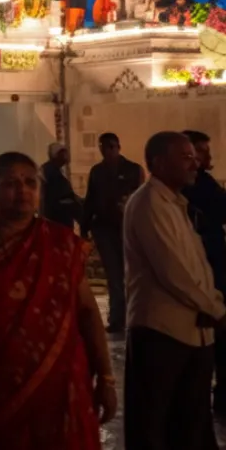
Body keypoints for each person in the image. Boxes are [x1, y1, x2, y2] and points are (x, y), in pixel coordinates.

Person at [0, 152, 115, 449]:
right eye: (10, 183)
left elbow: (86, 311)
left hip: (61, 384)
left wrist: (107, 378)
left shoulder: (61, 242)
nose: (22, 191)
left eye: (30, 183)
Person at [123, 131, 226, 448]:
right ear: (158, 162)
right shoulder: (149, 204)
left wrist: (213, 301)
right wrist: (215, 309)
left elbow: (198, 267)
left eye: (195, 157)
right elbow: (175, 273)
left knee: (190, 425)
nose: (196, 164)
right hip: (162, 334)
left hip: (191, 334)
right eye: (186, 158)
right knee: (156, 426)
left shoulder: (175, 204)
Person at [82, 132, 143, 333]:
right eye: (103, 147)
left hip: (126, 228)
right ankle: (117, 317)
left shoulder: (133, 170)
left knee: (129, 273)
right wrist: (84, 227)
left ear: (118, 147)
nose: (107, 151)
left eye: (110, 146)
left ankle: (130, 315)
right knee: (114, 274)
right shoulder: (98, 172)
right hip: (104, 228)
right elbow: (90, 199)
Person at [183, 129, 226, 415]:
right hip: (200, 279)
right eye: (202, 150)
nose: (208, 156)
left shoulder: (205, 184)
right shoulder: (183, 190)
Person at [40, 141, 84, 231]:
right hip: (57, 220)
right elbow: (60, 195)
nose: (66, 155)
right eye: (62, 153)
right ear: (55, 155)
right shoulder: (50, 171)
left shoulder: (54, 171)